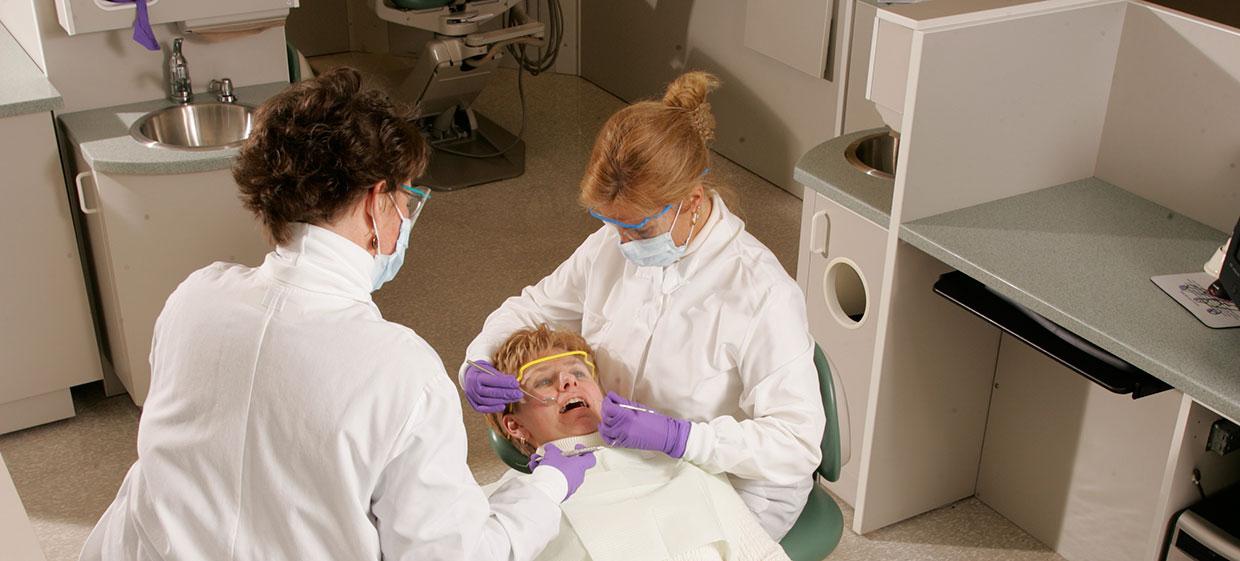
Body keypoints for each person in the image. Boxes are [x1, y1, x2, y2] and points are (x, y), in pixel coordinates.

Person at [80, 68, 594, 561]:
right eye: (407, 200)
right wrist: (545, 487)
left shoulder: (194, 298)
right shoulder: (399, 369)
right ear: (377, 204)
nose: (407, 218)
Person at [460, 71, 826, 540]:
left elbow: (795, 445)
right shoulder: (610, 246)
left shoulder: (760, 293)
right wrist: (478, 358)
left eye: (639, 229)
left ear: (692, 201)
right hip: (630, 462)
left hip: (732, 482)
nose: (623, 242)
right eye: (611, 223)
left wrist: (682, 437)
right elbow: (533, 307)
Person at [483, 325, 791, 561]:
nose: (569, 382)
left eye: (578, 372)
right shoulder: (507, 506)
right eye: (544, 381)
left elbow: (763, 555)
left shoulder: (680, 460)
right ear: (514, 425)